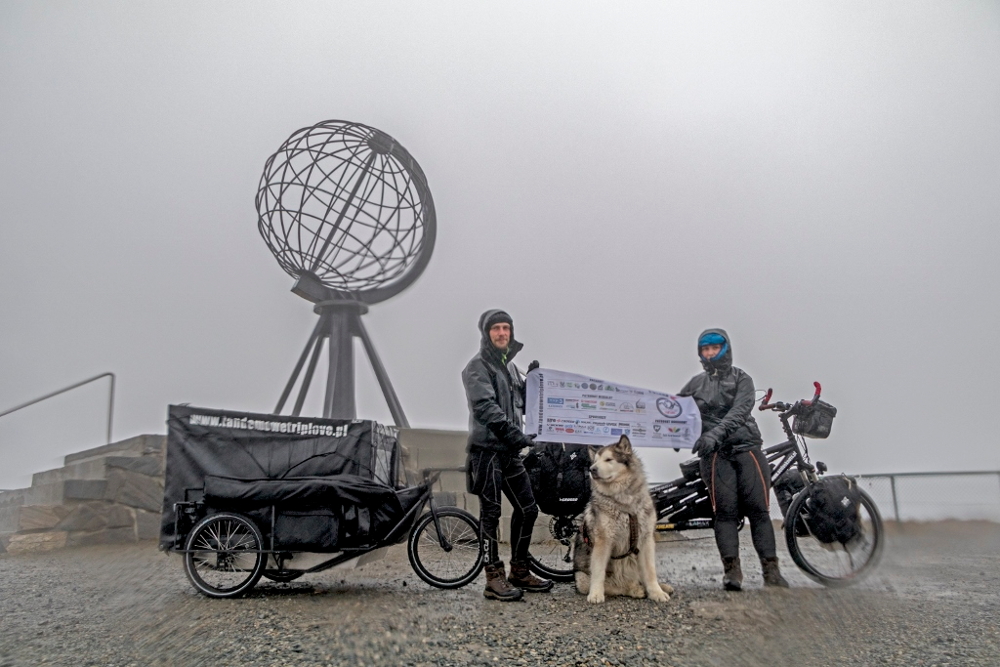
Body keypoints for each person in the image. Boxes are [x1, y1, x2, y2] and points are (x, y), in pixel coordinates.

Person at [679, 328, 789, 590]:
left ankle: (771, 572)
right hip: (716, 457)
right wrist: (673, 435)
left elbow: (740, 412)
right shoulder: (695, 384)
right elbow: (675, 410)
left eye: (714, 348)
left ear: (725, 348)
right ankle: (732, 573)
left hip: (747, 448)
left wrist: (714, 433)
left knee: (759, 512)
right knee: (724, 514)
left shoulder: (743, 379)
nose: (709, 353)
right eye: (705, 349)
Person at [462, 309, 553, 601]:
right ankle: (493, 577)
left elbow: (522, 404)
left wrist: (533, 383)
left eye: (506, 328)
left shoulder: (511, 368)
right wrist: (516, 436)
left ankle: (519, 570)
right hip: (487, 452)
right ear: (486, 333)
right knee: (491, 514)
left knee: (529, 509)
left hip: (510, 454)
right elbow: (485, 408)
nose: (502, 333)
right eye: (496, 329)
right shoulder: (477, 366)